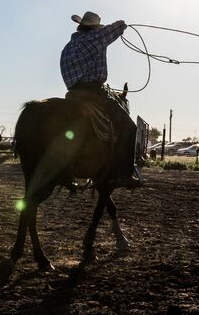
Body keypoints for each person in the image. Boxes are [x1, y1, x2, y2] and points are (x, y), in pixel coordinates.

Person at [60, 11, 142, 187]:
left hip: (72, 93)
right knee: (129, 127)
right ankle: (125, 174)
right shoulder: (96, 38)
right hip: (93, 93)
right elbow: (119, 25)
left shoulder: (69, 46)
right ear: (94, 27)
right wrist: (124, 25)